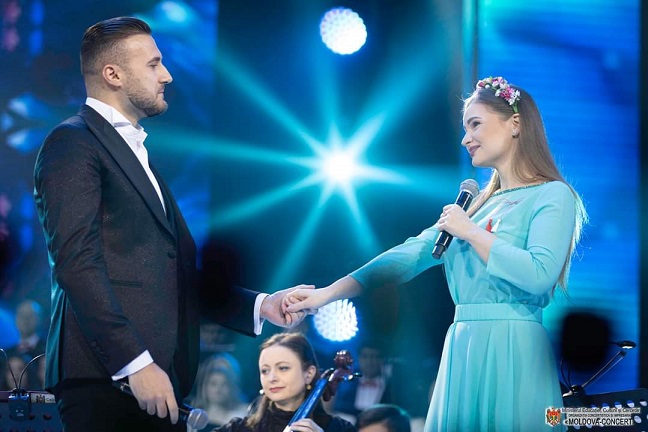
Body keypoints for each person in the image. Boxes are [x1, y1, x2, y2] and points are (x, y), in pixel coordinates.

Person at [33, 16, 312, 432]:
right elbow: (76, 264)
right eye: (153, 64)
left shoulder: (135, 153)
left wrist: (260, 306)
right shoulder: (73, 143)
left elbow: (168, 275)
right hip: (109, 380)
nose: (167, 75)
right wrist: (134, 362)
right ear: (113, 74)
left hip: (155, 381)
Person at [285, 76, 587, 431]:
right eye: (464, 128)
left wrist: (470, 231)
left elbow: (538, 275)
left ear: (515, 123)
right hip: (462, 343)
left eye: (475, 124)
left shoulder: (551, 194)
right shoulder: (473, 206)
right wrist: (327, 294)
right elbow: (407, 256)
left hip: (515, 343)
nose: (465, 139)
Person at [215, 332, 356, 432]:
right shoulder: (239, 429)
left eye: (283, 368)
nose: (272, 378)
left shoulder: (339, 429)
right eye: (265, 371)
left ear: (309, 374)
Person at [326, 340, 393, 423]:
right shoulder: (344, 384)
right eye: (365, 356)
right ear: (358, 359)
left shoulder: (392, 387)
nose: (370, 361)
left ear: (382, 360)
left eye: (375, 357)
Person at [188, 356, 250, 430]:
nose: (218, 389)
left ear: (232, 387)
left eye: (224, 384)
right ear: (204, 386)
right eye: (213, 383)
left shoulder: (242, 415)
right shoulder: (196, 416)